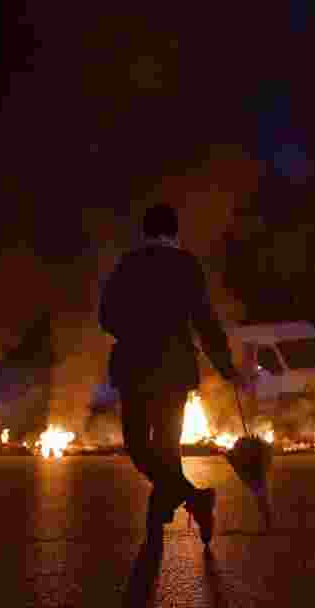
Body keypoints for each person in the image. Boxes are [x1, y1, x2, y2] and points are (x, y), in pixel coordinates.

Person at [99, 202, 246, 545]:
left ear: (145, 231)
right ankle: (191, 499)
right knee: (166, 447)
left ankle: (165, 505)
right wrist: (225, 366)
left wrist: (134, 330)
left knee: (138, 446)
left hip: (135, 366)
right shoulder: (186, 265)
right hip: (174, 370)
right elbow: (204, 320)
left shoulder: (128, 264)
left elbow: (106, 316)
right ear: (175, 232)